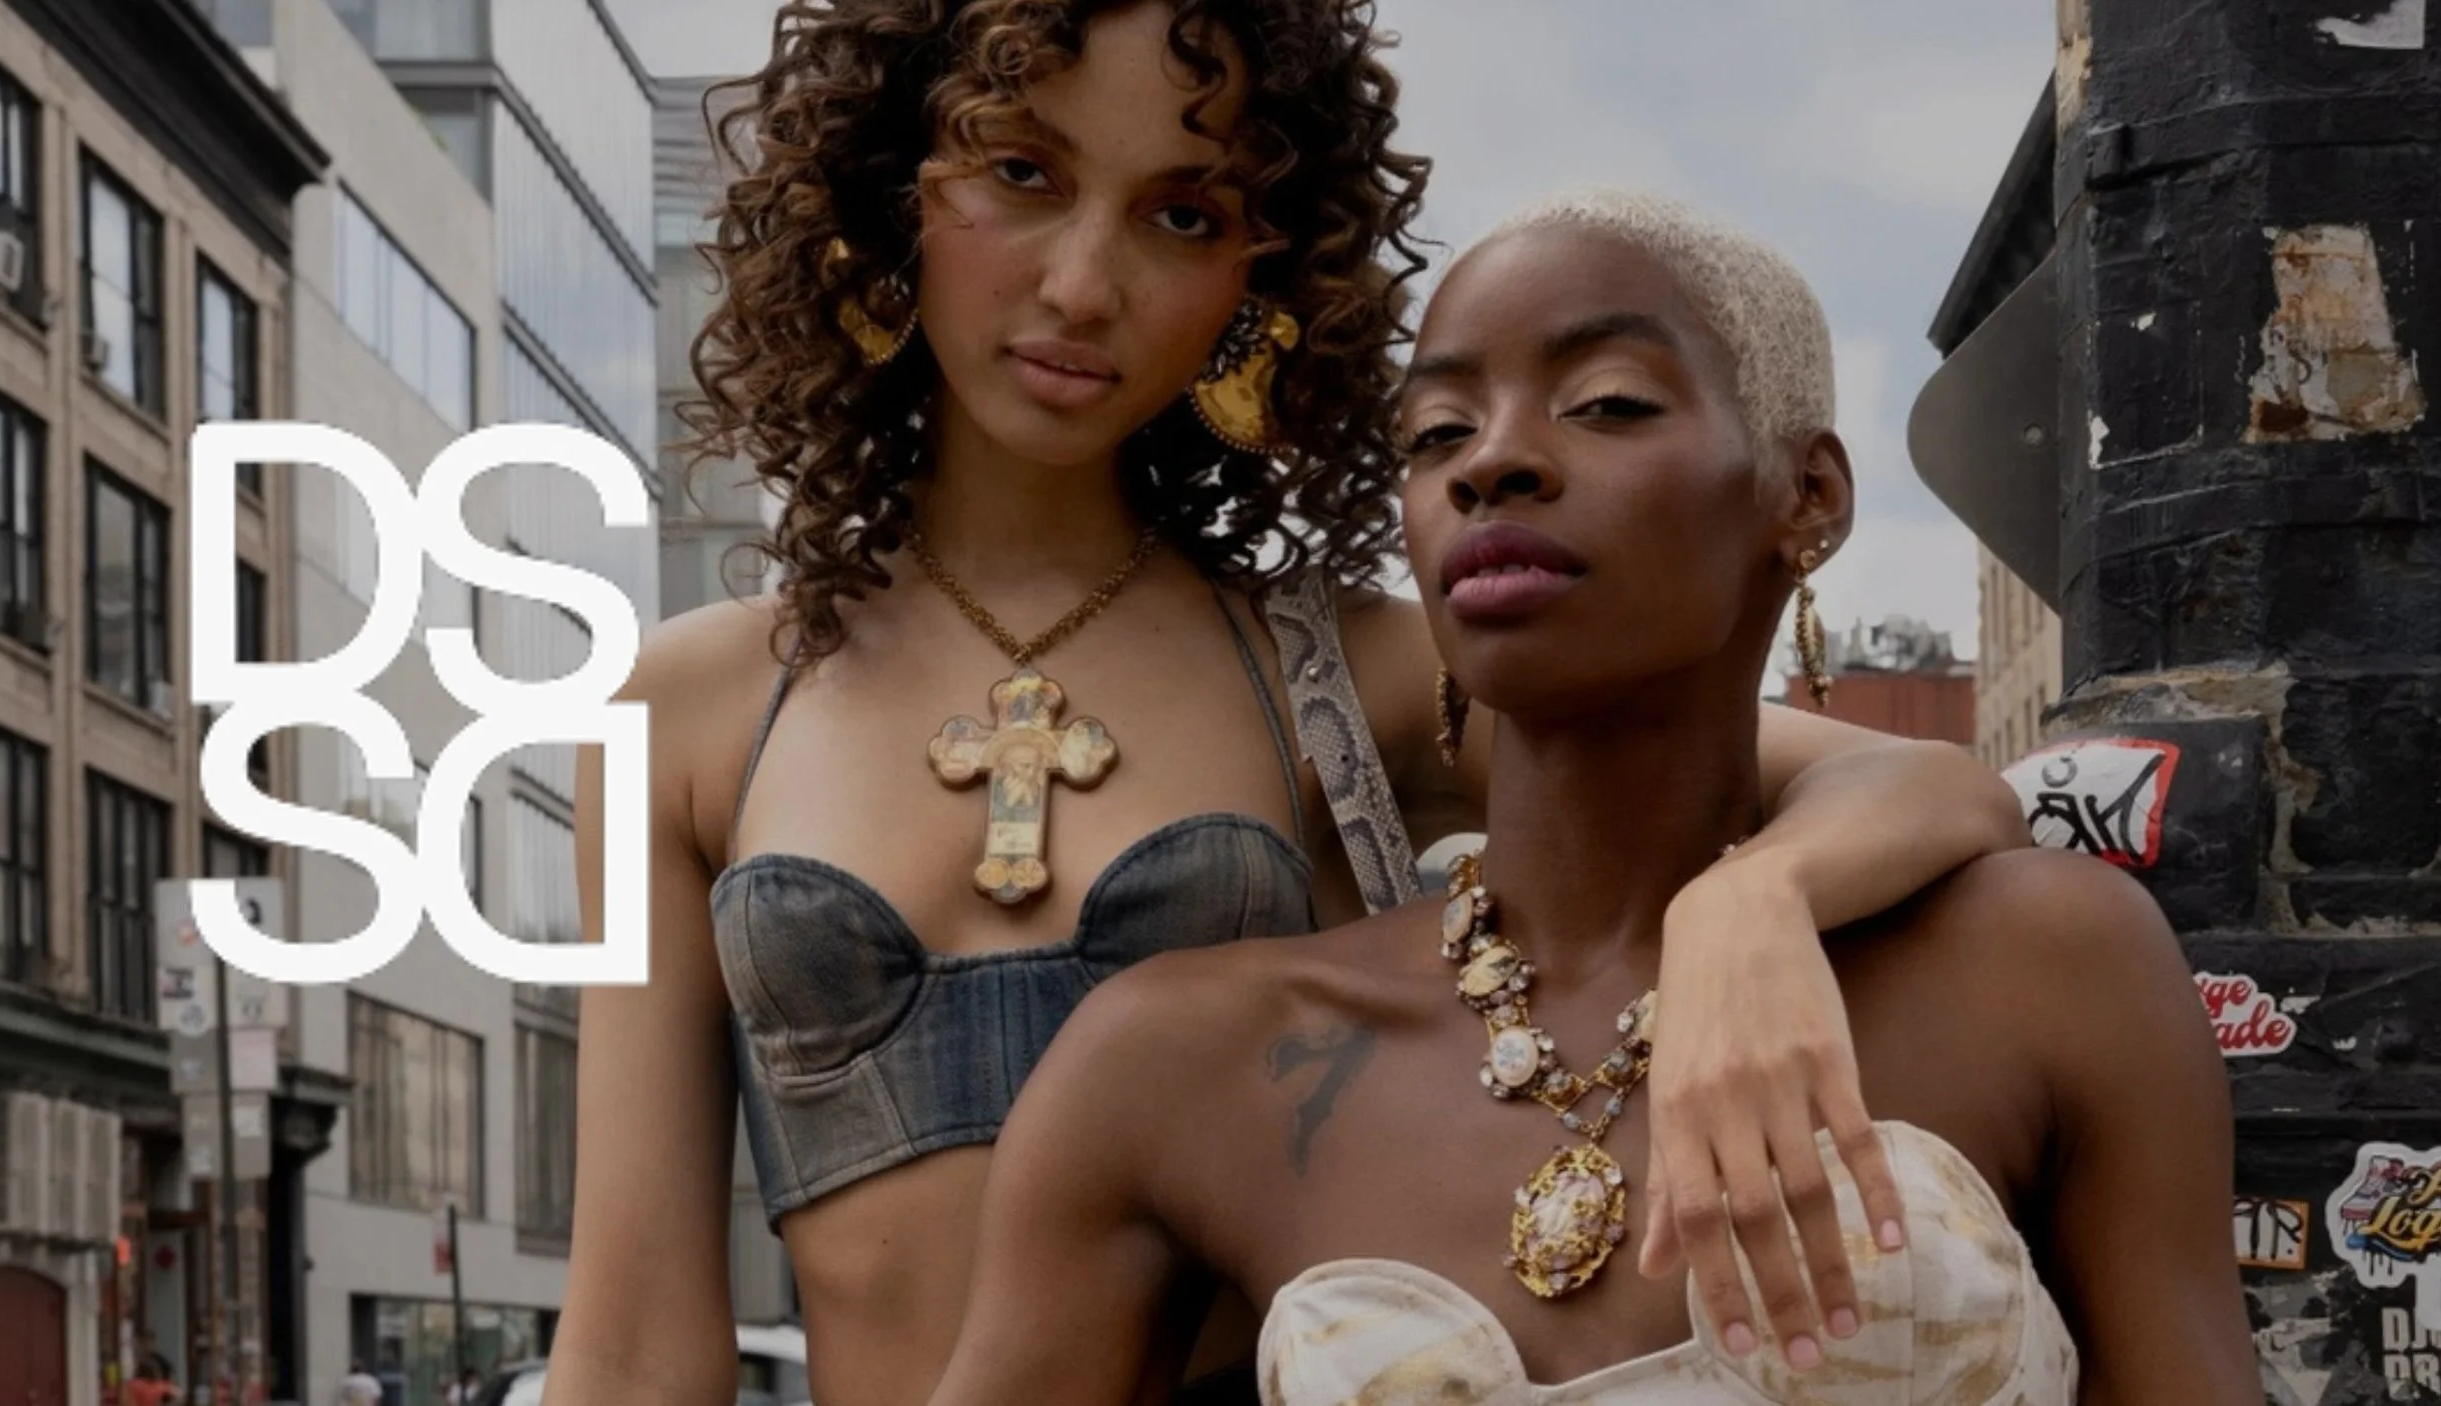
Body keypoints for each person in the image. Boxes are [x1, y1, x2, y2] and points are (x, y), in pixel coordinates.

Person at [550, 5, 2031, 1405]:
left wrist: (1751, 905)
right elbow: (627, 1346)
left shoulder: (1350, 674)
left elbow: (1941, 790)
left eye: (1180, 214)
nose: (1081, 283)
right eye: (1020, 173)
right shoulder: (674, 714)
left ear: (1263, 282)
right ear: (885, 187)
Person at [924, 189, 2263, 1404]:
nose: (1490, 461)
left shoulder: (2043, 968)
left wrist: (1753, 897)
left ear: (1807, 493)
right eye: (1436, 430)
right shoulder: (1181, 1061)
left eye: (1609, 402)